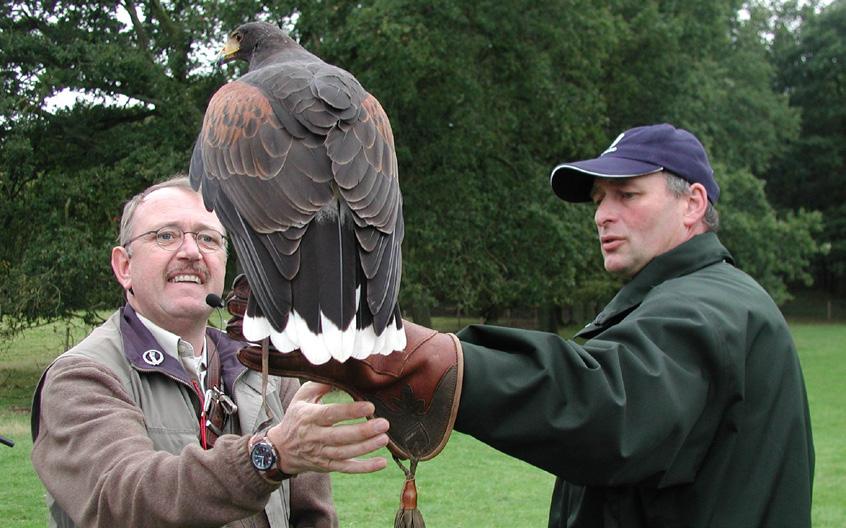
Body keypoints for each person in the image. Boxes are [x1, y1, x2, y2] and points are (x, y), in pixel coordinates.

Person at [238, 124, 814, 527]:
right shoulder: (684, 299)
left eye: (626, 194)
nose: (602, 213)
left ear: (692, 204)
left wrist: (410, 357)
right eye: (597, 198)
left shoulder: (711, 309)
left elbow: (604, 405)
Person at [30, 176, 391, 528]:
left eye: (208, 238)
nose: (191, 252)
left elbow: (312, 516)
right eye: (166, 235)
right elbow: (121, 500)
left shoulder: (268, 370)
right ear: (124, 266)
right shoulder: (82, 377)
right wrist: (267, 457)